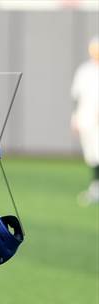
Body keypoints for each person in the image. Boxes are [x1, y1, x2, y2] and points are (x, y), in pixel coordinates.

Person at [71, 36, 99, 206]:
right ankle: (95, 187)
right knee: (91, 155)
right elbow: (78, 96)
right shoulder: (85, 70)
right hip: (86, 119)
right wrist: (75, 117)